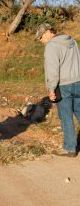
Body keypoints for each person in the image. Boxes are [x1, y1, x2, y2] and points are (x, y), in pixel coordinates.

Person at [36, 22, 80, 157]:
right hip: (78, 82)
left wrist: (51, 89)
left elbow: (52, 69)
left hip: (64, 86)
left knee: (65, 116)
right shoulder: (71, 41)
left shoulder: (51, 45)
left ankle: (69, 148)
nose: (41, 40)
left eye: (41, 37)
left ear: (48, 32)